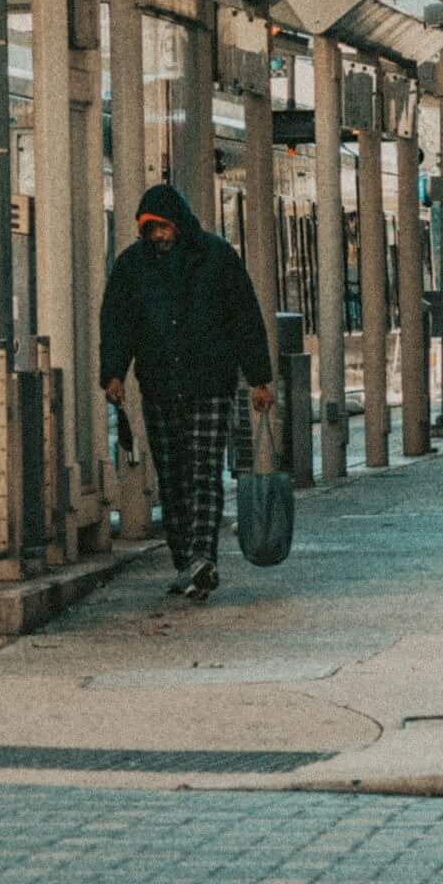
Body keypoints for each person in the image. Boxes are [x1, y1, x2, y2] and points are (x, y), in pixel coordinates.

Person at [99, 181, 274, 602]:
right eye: (150, 229)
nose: (158, 236)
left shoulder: (217, 257)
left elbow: (244, 317)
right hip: (159, 385)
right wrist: (113, 374)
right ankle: (185, 561)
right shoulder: (131, 266)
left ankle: (201, 557)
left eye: (163, 227)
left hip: (210, 382)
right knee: (174, 479)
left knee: (204, 473)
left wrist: (259, 378)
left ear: (178, 223)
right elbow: (117, 322)